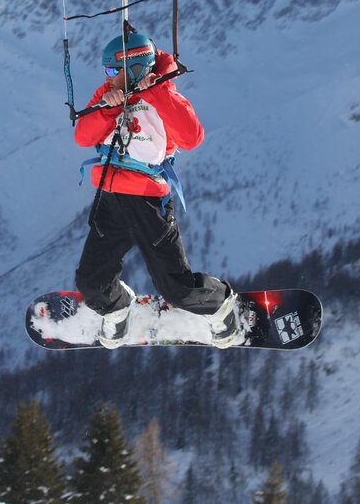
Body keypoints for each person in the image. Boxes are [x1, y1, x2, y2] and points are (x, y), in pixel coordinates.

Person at [73, 30, 240, 348]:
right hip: (112, 199)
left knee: (177, 289)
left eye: (113, 70)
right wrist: (108, 108)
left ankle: (220, 305)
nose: (107, 77)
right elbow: (83, 137)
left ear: (134, 68)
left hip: (149, 203)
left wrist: (157, 94)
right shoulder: (108, 94)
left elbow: (192, 137)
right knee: (91, 281)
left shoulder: (164, 95)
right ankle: (117, 309)